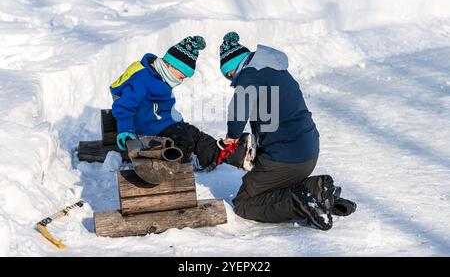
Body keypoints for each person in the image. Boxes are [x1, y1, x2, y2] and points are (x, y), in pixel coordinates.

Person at [217, 32, 356, 230]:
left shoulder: (250, 73)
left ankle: (302, 201)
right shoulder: (276, 71)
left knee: (244, 203)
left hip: (285, 158)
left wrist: (233, 135)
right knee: (271, 189)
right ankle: (317, 191)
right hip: (308, 154)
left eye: (229, 75)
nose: (232, 80)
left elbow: (240, 108)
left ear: (234, 67)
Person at [109, 35, 252, 172]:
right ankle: (189, 164)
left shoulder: (160, 76)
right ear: (172, 66)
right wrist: (125, 130)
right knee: (184, 141)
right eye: (181, 77)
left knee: (196, 135)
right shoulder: (143, 80)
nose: (180, 81)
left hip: (163, 123)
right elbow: (124, 105)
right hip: (148, 130)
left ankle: (230, 155)